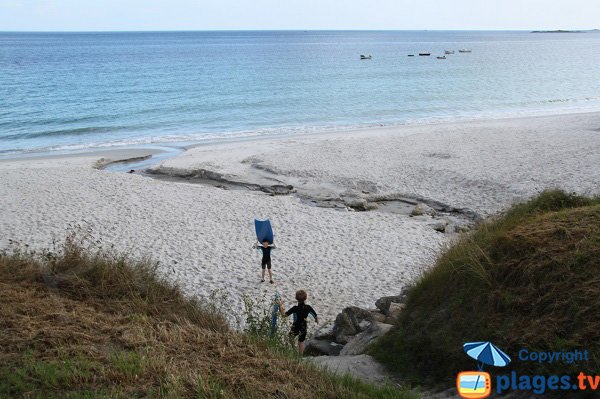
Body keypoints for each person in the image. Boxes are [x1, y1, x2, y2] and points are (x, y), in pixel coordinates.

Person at [279, 290, 318, 354]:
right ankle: (300, 356)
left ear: (296, 298)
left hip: (295, 327)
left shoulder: (295, 308)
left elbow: (284, 315)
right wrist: (316, 320)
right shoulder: (308, 307)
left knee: (290, 338)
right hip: (303, 327)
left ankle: (294, 349)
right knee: (301, 342)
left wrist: (280, 306)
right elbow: (315, 315)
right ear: (306, 298)